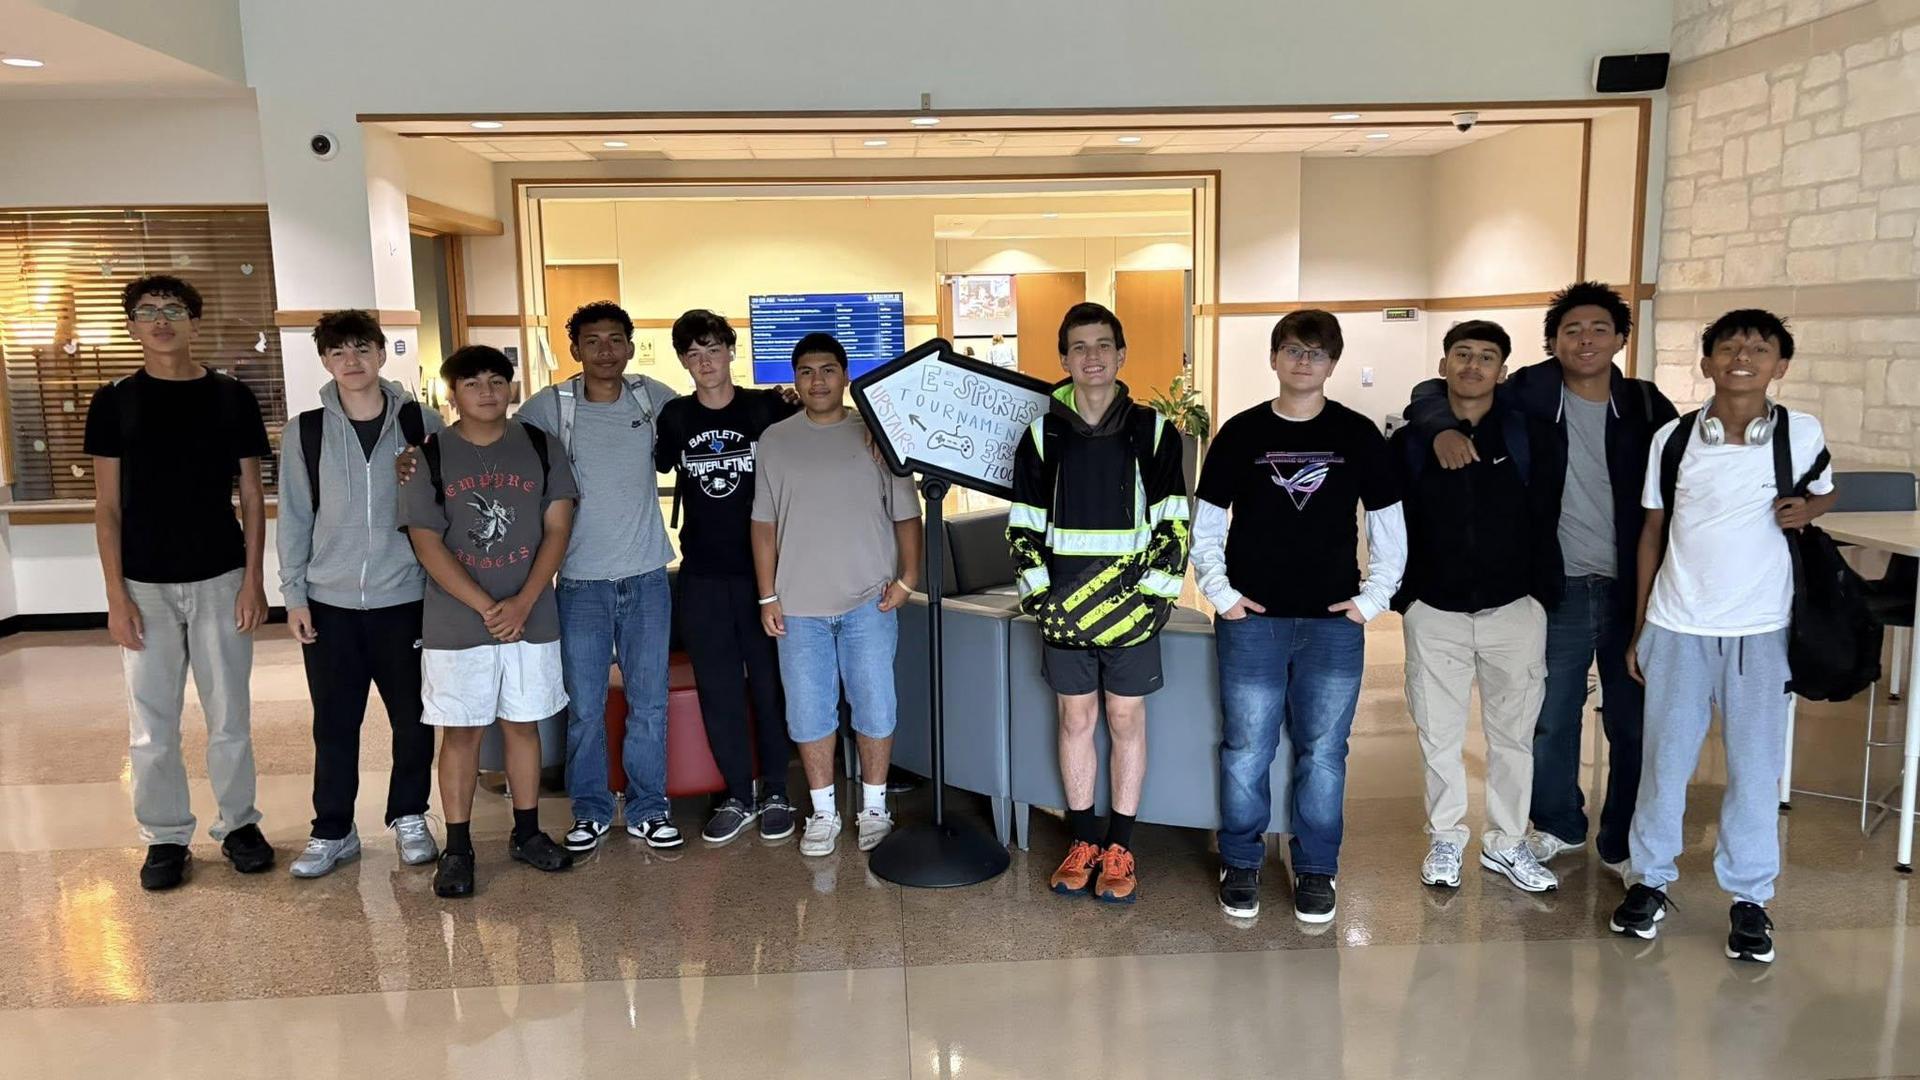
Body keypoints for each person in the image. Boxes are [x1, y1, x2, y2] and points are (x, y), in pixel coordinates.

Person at [1403, 282, 1676, 878]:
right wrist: (1440, 427)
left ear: (1621, 339)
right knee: (1548, 718)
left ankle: (1625, 838)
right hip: (1561, 586)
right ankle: (1556, 825)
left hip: (1633, 585)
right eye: (1571, 330)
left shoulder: (1649, 406)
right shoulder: (1532, 390)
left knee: (1631, 720)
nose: (1585, 340)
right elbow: (1437, 390)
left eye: (1600, 329)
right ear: (1552, 343)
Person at [1612, 310, 1833, 964]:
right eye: (1728, 348)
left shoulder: (1801, 432)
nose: (1742, 357)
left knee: (1757, 770)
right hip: (1678, 625)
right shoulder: (1674, 440)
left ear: (1780, 365)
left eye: (1758, 349)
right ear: (1706, 363)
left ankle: (1750, 897)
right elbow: (1652, 531)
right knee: (1665, 765)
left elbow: (1825, 491)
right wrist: (1641, 625)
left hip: (1762, 631)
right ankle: (1649, 881)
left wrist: (1810, 507)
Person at [1195, 309, 1404, 922]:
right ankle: (1241, 861)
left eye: (1315, 353)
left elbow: (1389, 526)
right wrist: (1221, 593)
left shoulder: (1360, 434)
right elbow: (1206, 525)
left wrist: (1371, 601)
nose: (1303, 361)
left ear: (1332, 364)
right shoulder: (1239, 433)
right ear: (1274, 358)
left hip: (1332, 626)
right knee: (1245, 749)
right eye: (1292, 349)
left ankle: (1316, 869)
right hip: (1251, 621)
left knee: (1324, 751)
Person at [85, 274, 276, 891]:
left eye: (173, 309)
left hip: (221, 576)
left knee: (230, 715)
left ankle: (240, 824)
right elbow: (107, 507)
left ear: (195, 321)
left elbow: (250, 494)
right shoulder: (114, 401)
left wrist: (253, 581)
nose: (161, 320)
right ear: (133, 326)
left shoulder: (230, 397)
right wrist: (116, 596)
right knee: (151, 722)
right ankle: (165, 837)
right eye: (147, 311)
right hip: (144, 585)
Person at [1008, 302, 1190, 905]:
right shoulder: (1041, 434)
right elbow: (1025, 525)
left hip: (1133, 609)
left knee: (1126, 720)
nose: (1092, 356)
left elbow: (1173, 519)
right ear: (1063, 359)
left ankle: (1121, 846)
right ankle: (1083, 840)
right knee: (1075, 721)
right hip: (1063, 610)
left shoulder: (1154, 430)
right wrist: (1039, 598)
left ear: (1121, 354)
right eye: (1079, 347)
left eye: (1103, 345)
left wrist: (1156, 597)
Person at [1389, 321, 1564, 894]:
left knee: (1513, 734)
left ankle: (1508, 842)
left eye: (1486, 357)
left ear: (1502, 372)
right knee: (1437, 733)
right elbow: (1387, 520)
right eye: (1461, 355)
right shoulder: (1411, 439)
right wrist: (1404, 594)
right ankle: (1445, 837)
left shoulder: (1531, 435)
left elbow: (1547, 515)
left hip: (1514, 606)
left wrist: (1540, 594)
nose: (1472, 366)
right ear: (1443, 365)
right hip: (1434, 609)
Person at [401, 345, 580, 898]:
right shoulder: (428, 455)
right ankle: (457, 848)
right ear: (452, 394)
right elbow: (425, 540)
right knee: (462, 731)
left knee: (523, 725)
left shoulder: (540, 446)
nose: (486, 391)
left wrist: (525, 601)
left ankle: (527, 833)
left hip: (531, 615)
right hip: (457, 623)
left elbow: (558, 528)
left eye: (496, 380)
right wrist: (485, 606)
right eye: (472, 382)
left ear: (511, 387)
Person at [278, 310, 443, 878]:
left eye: (361, 349)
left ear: (381, 352)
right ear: (325, 361)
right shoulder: (306, 430)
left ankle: (410, 816)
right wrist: (294, 595)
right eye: (338, 352)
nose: (352, 361)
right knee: (335, 722)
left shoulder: (422, 421)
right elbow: (295, 519)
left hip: (406, 599)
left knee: (414, 718)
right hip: (330, 602)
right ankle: (333, 829)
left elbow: (444, 505)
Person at [518, 302, 683, 853]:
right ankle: (588, 810)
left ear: (631, 347)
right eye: (594, 341)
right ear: (577, 350)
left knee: (649, 702)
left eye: (616, 340)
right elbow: (496, 442)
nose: (606, 351)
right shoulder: (551, 407)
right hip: (581, 583)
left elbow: (707, 422)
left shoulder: (650, 397)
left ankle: (648, 807)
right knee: (585, 705)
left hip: (646, 579)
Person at [751, 332, 923, 857]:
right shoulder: (777, 440)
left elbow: (906, 515)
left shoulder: (874, 435)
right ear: (795, 380)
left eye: (828, 369)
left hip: (869, 601)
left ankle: (874, 806)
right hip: (797, 607)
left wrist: (907, 579)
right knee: (808, 712)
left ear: (846, 376)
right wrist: (766, 596)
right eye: (806, 371)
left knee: (875, 705)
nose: (817, 380)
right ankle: (823, 813)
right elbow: (764, 524)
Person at [655, 309, 800, 844]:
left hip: (765, 574)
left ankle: (778, 790)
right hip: (702, 575)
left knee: (768, 684)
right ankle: (738, 793)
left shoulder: (767, 407)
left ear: (730, 352)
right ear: (682, 362)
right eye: (693, 354)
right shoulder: (673, 417)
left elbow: (823, 424)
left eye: (713, 349)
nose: (705, 362)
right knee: (717, 687)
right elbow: (646, 460)